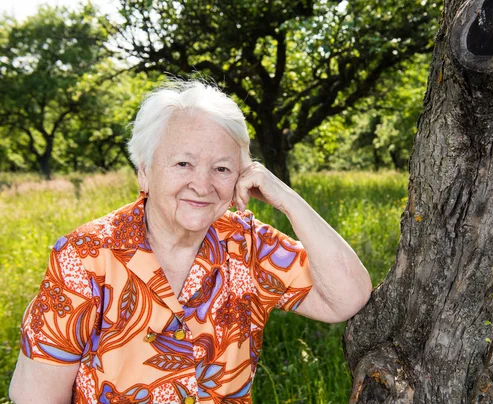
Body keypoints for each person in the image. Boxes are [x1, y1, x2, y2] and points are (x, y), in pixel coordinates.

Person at [9, 80, 373, 403]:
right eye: (183, 164)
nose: (202, 185)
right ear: (145, 172)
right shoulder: (85, 257)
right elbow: (35, 397)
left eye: (222, 168)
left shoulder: (247, 244)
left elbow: (346, 297)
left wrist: (286, 198)